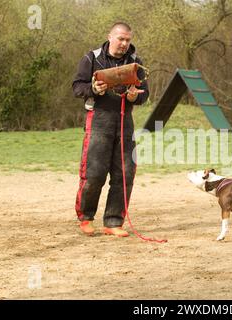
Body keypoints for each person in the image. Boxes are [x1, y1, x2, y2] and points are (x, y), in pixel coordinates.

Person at [72, 22, 149, 237]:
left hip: (125, 123)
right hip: (98, 121)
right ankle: (86, 218)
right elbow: (77, 87)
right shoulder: (92, 57)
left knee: (124, 174)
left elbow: (145, 94)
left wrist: (137, 96)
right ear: (110, 37)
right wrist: (93, 89)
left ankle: (114, 222)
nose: (124, 43)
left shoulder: (136, 62)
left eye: (128, 40)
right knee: (93, 174)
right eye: (120, 39)